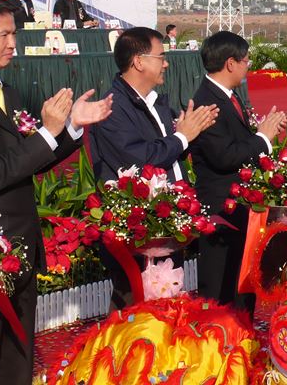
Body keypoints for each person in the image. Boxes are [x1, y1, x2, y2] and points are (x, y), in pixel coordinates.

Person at [0, 0, 113, 385]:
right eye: (4, 34)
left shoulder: (6, 93)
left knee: (17, 355)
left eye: (14, 33)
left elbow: (29, 159)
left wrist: (71, 128)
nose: (14, 43)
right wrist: (48, 131)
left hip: (20, 245)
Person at [90, 26, 218, 309]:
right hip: (138, 234)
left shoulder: (157, 102)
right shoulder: (113, 107)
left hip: (167, 227)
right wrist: (183, 135)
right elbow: (138, 160)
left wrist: (188, 133)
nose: (166, 63)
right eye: (161, 56)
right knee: (134, 317)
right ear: (138, 61)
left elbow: (169, 155)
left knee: (167, 314)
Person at [188, 31, 287, 307]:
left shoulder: (228, 96)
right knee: (221, 294)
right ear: (230, 63)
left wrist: (261, 134)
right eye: (245, 60)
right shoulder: (209, 102)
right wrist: (263, 139)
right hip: (221, 209)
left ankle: (240, 344)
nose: (249, 66)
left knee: (240, 290)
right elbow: (223, 156)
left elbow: (237, 144)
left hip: (238, 207)